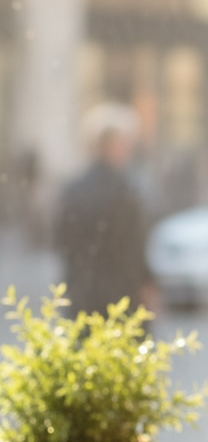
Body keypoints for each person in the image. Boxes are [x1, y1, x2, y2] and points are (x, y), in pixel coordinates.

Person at [54, 102, 156, 315]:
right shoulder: (126, 190)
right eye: (125, 143)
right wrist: (147, 284)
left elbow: (62, 242)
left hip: (82, 295)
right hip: (122, 298)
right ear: (113, 145)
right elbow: (135, 248)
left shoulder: (73, 189)